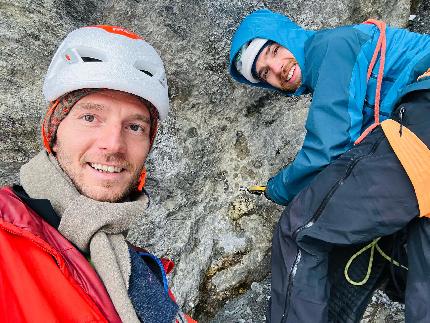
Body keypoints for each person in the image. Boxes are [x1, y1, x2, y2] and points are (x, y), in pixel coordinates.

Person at [229, 9, 430, 323]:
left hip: (423, 113)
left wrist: (277, 188)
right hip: (419, 146)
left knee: (299, 231)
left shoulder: (331, 46)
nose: (276, 69)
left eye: (273, 51)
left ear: (289, 37)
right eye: (264, 73)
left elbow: (328, 149)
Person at [0, 25, 195, 323]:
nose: (114, 144)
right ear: (52, 131)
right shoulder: (6, 238)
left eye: (135, 127)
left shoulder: (136, 268)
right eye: (90, 117)